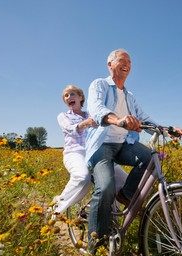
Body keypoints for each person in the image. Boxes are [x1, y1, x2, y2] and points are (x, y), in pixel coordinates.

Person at [85, 49, 182, 245]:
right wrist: (118, 120)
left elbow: (146, 120)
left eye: (130, 62)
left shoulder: (129, 96)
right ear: (110, 64)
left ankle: (126, 195)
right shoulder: (99, 84)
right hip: (102, 145)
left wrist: (169, 130)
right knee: (105, 187)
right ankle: (95, 244)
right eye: (122, 60)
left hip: (123, 143)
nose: (127, 64)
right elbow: (96, 109)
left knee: (150, 158)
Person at [53, 85, 127, 215]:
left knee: (124, 180)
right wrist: (86, 123)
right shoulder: (63, 116)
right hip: (75, 152)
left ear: (81, 97)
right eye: (66, 96)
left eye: (72, 94)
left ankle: (104, 210)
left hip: (95, 150)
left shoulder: (92, 114)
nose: (69, 97)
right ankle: (57, 207)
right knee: (83, 177)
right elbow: (70, 129)